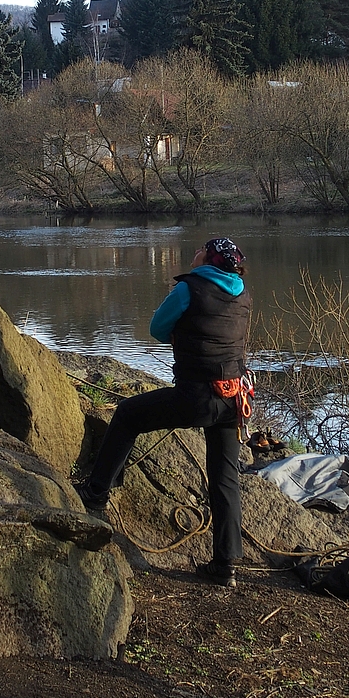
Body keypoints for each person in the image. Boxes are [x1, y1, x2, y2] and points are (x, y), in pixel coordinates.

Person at [76, 237, 251, 588]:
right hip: (233, 399)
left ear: (208, 258)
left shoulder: (190, 288)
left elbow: (157, 329)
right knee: (224, 478)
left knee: (127, 415)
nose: (195, 252)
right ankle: (226, 565)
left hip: (196, 397)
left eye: (201, 249)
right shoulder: (244, 292)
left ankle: (96, 493)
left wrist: (180, 320)